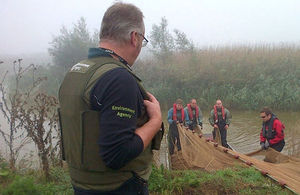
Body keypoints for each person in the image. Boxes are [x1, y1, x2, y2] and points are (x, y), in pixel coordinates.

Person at [58, 3, 163, 194]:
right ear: (134, 37)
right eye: (143, 40)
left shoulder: (77, 71)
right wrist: (155, 121)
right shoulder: (119, 79)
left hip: (82, 185)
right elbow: (117, 154)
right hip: (119, 187)